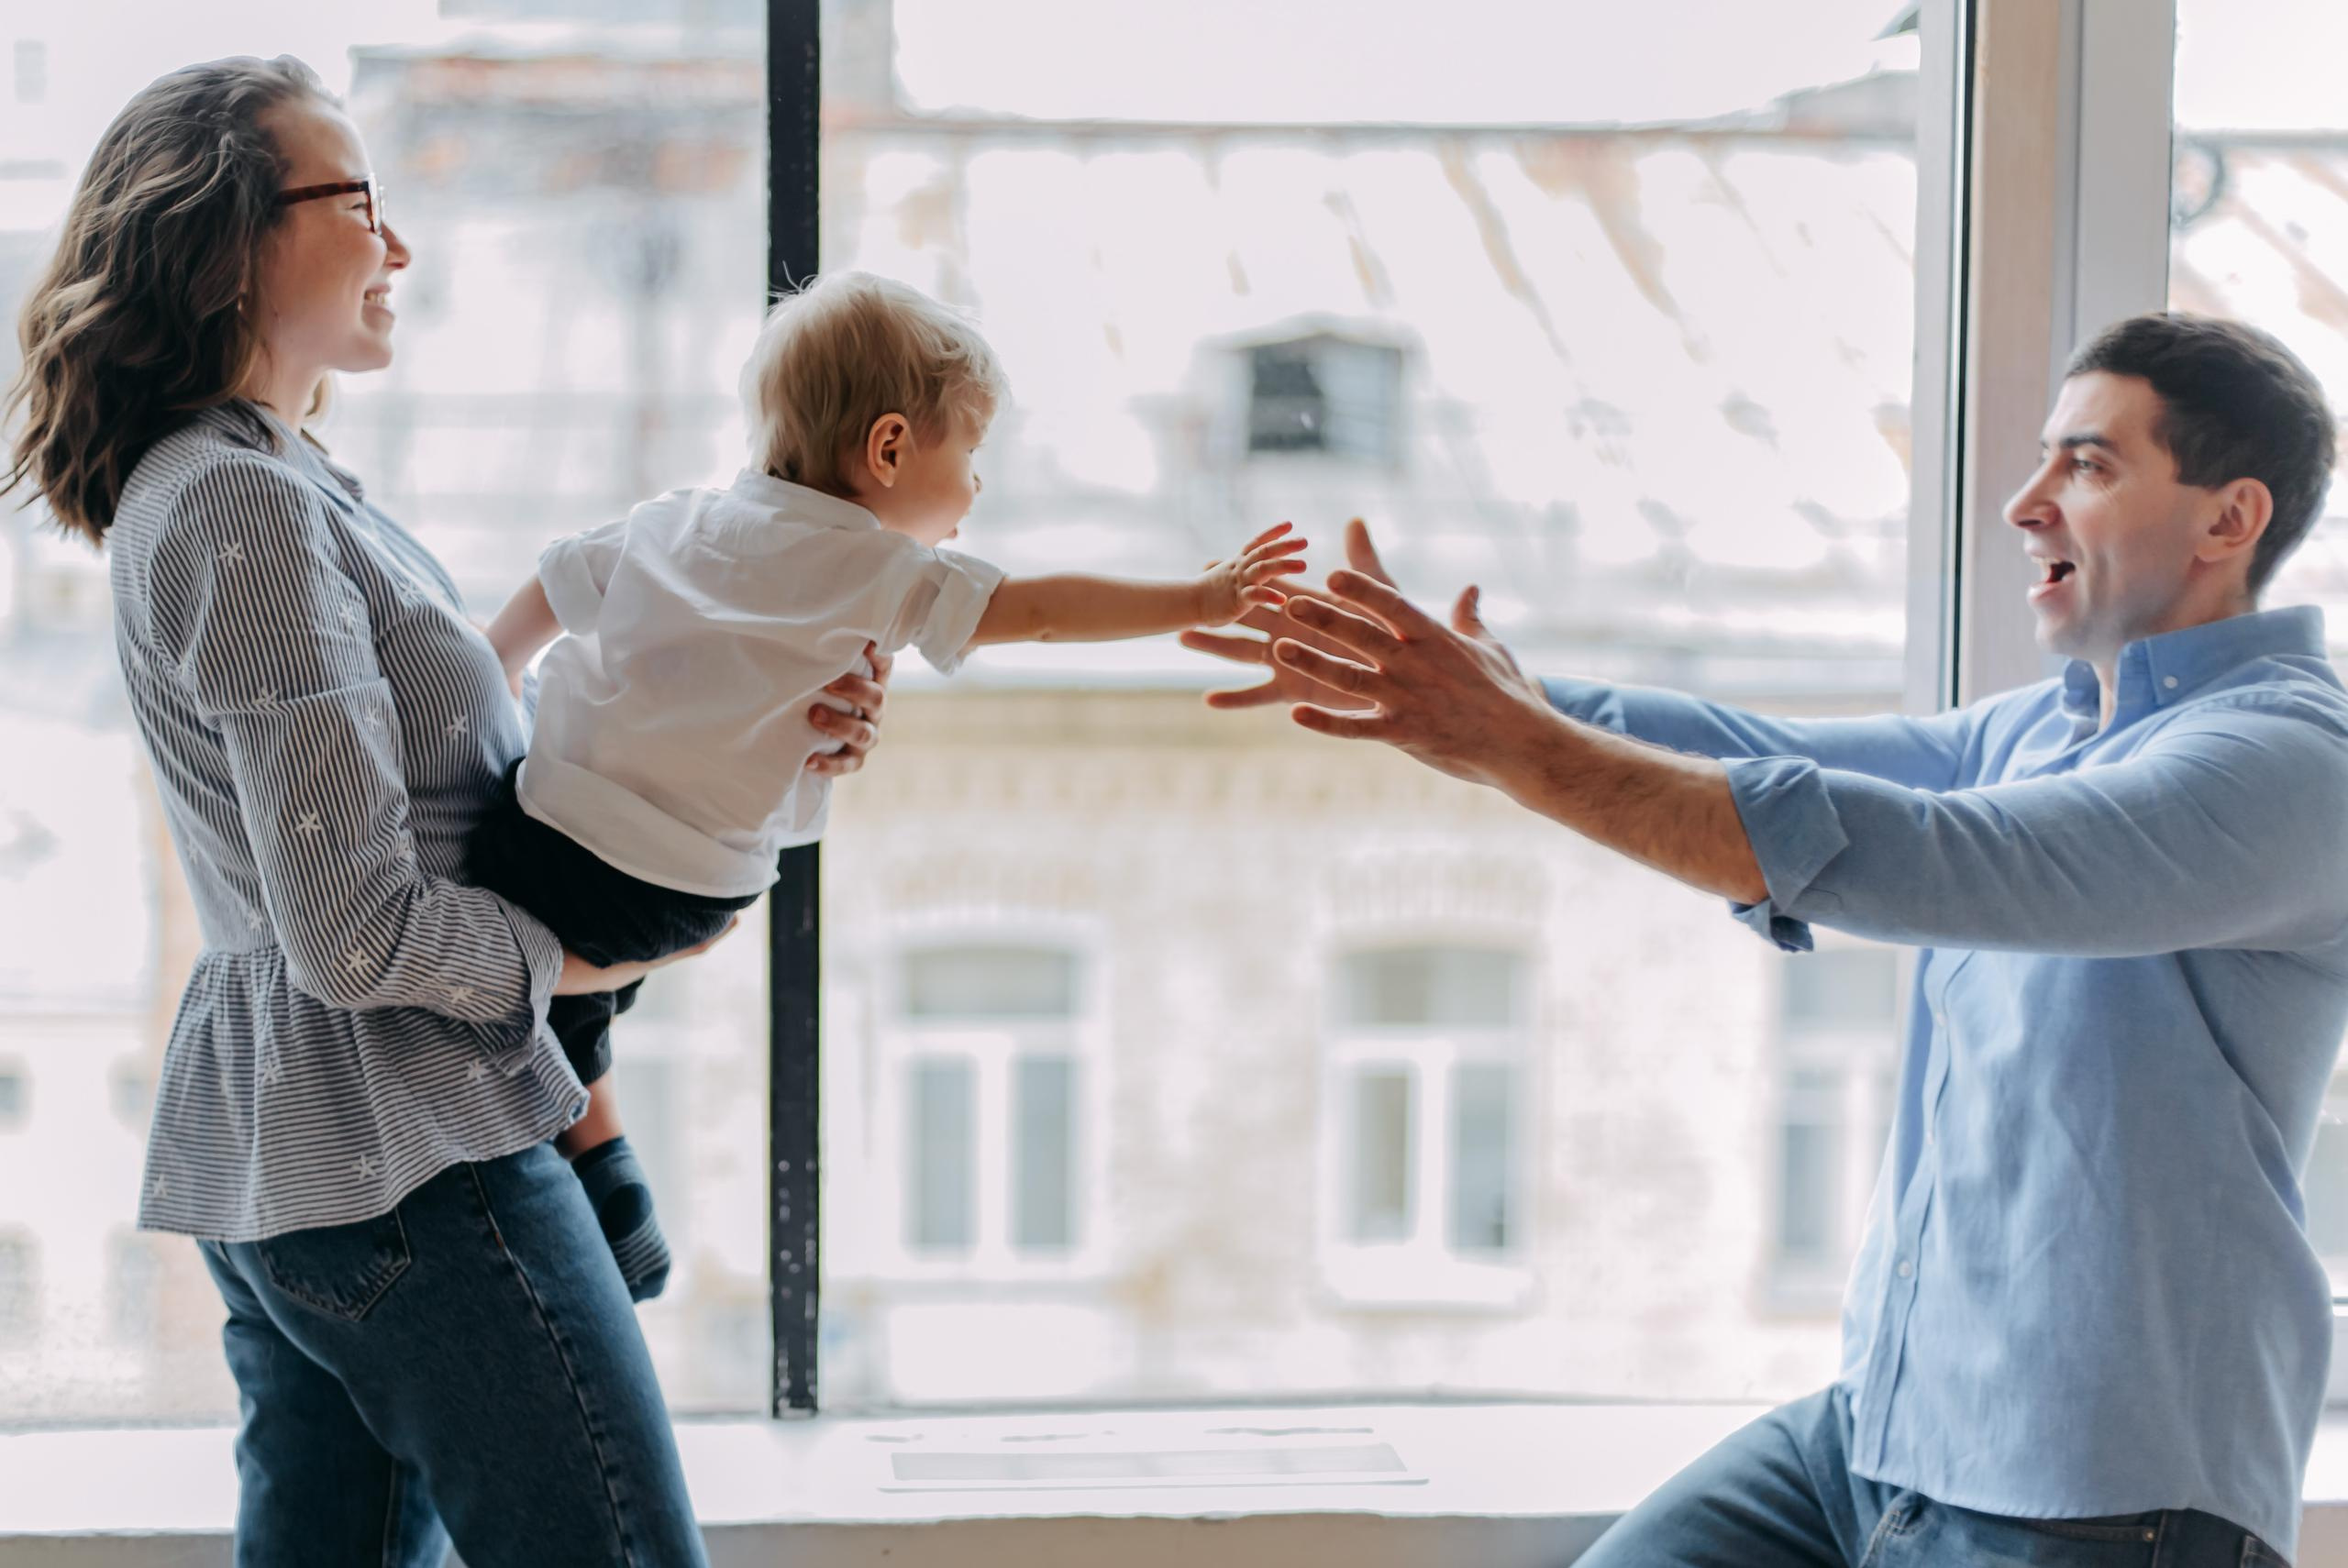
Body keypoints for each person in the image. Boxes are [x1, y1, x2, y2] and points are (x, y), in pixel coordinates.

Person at [1184, 313, 2345, 1567]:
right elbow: (1757, 753)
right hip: (1878, 1436)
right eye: (2043, 459)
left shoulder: (2285, 766)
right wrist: (1479, 693)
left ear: (2229, 519)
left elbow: (1925, 855)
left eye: (2089, 465)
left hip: (2105, 1500)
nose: (2025, 504)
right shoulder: (2036, 731)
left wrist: (1512, 738)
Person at [0, 56, 892, 1566]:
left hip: (322, 1156)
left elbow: (423, 761)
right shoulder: (238, 504)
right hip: (406, 1151)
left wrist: (746, 720)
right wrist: (603, 953)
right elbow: (356, 932)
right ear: (227, 242)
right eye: (358, 202)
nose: (398, 244)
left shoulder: (268, 482)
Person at [467, 270, 1306, 1299]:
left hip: (550, 829)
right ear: (891, 449)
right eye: (973, 455)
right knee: (591, 972)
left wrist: (497, 668)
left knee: (546, 948)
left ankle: (590, 1138)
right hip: (687, 887)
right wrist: (1200, 597)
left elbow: (552, 586)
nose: (978, 488)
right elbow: (1043, 611)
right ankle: (600, 1158)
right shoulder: (882, 574)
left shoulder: (671, 522)